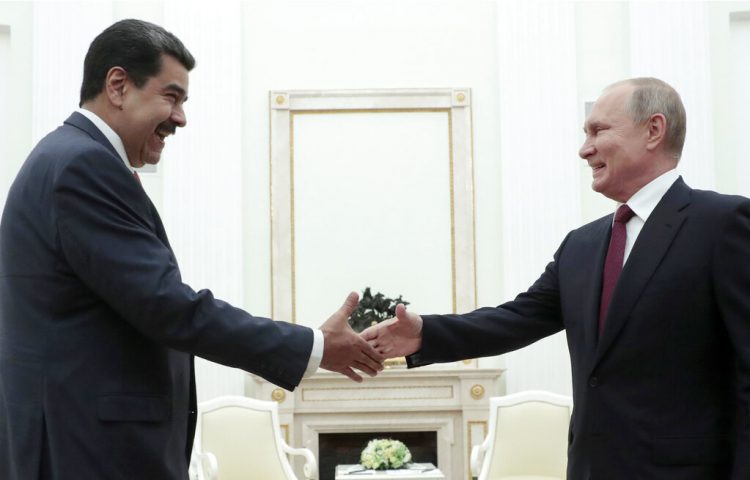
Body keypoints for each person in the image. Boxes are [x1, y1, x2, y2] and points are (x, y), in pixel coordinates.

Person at [0, 19, 382, 479]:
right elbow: (169, 307)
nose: (180, 118)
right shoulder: (83, 166)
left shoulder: (67, 158)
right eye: (172, 96)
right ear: (118, 85)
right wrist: (314, 347)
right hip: (90, 449)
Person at [363, 77, 750, 479]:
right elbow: (515, 319)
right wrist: (425, 333)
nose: (585, 149)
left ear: (653, 130)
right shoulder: (581, 245)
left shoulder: (723, 225)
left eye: (598, 130)